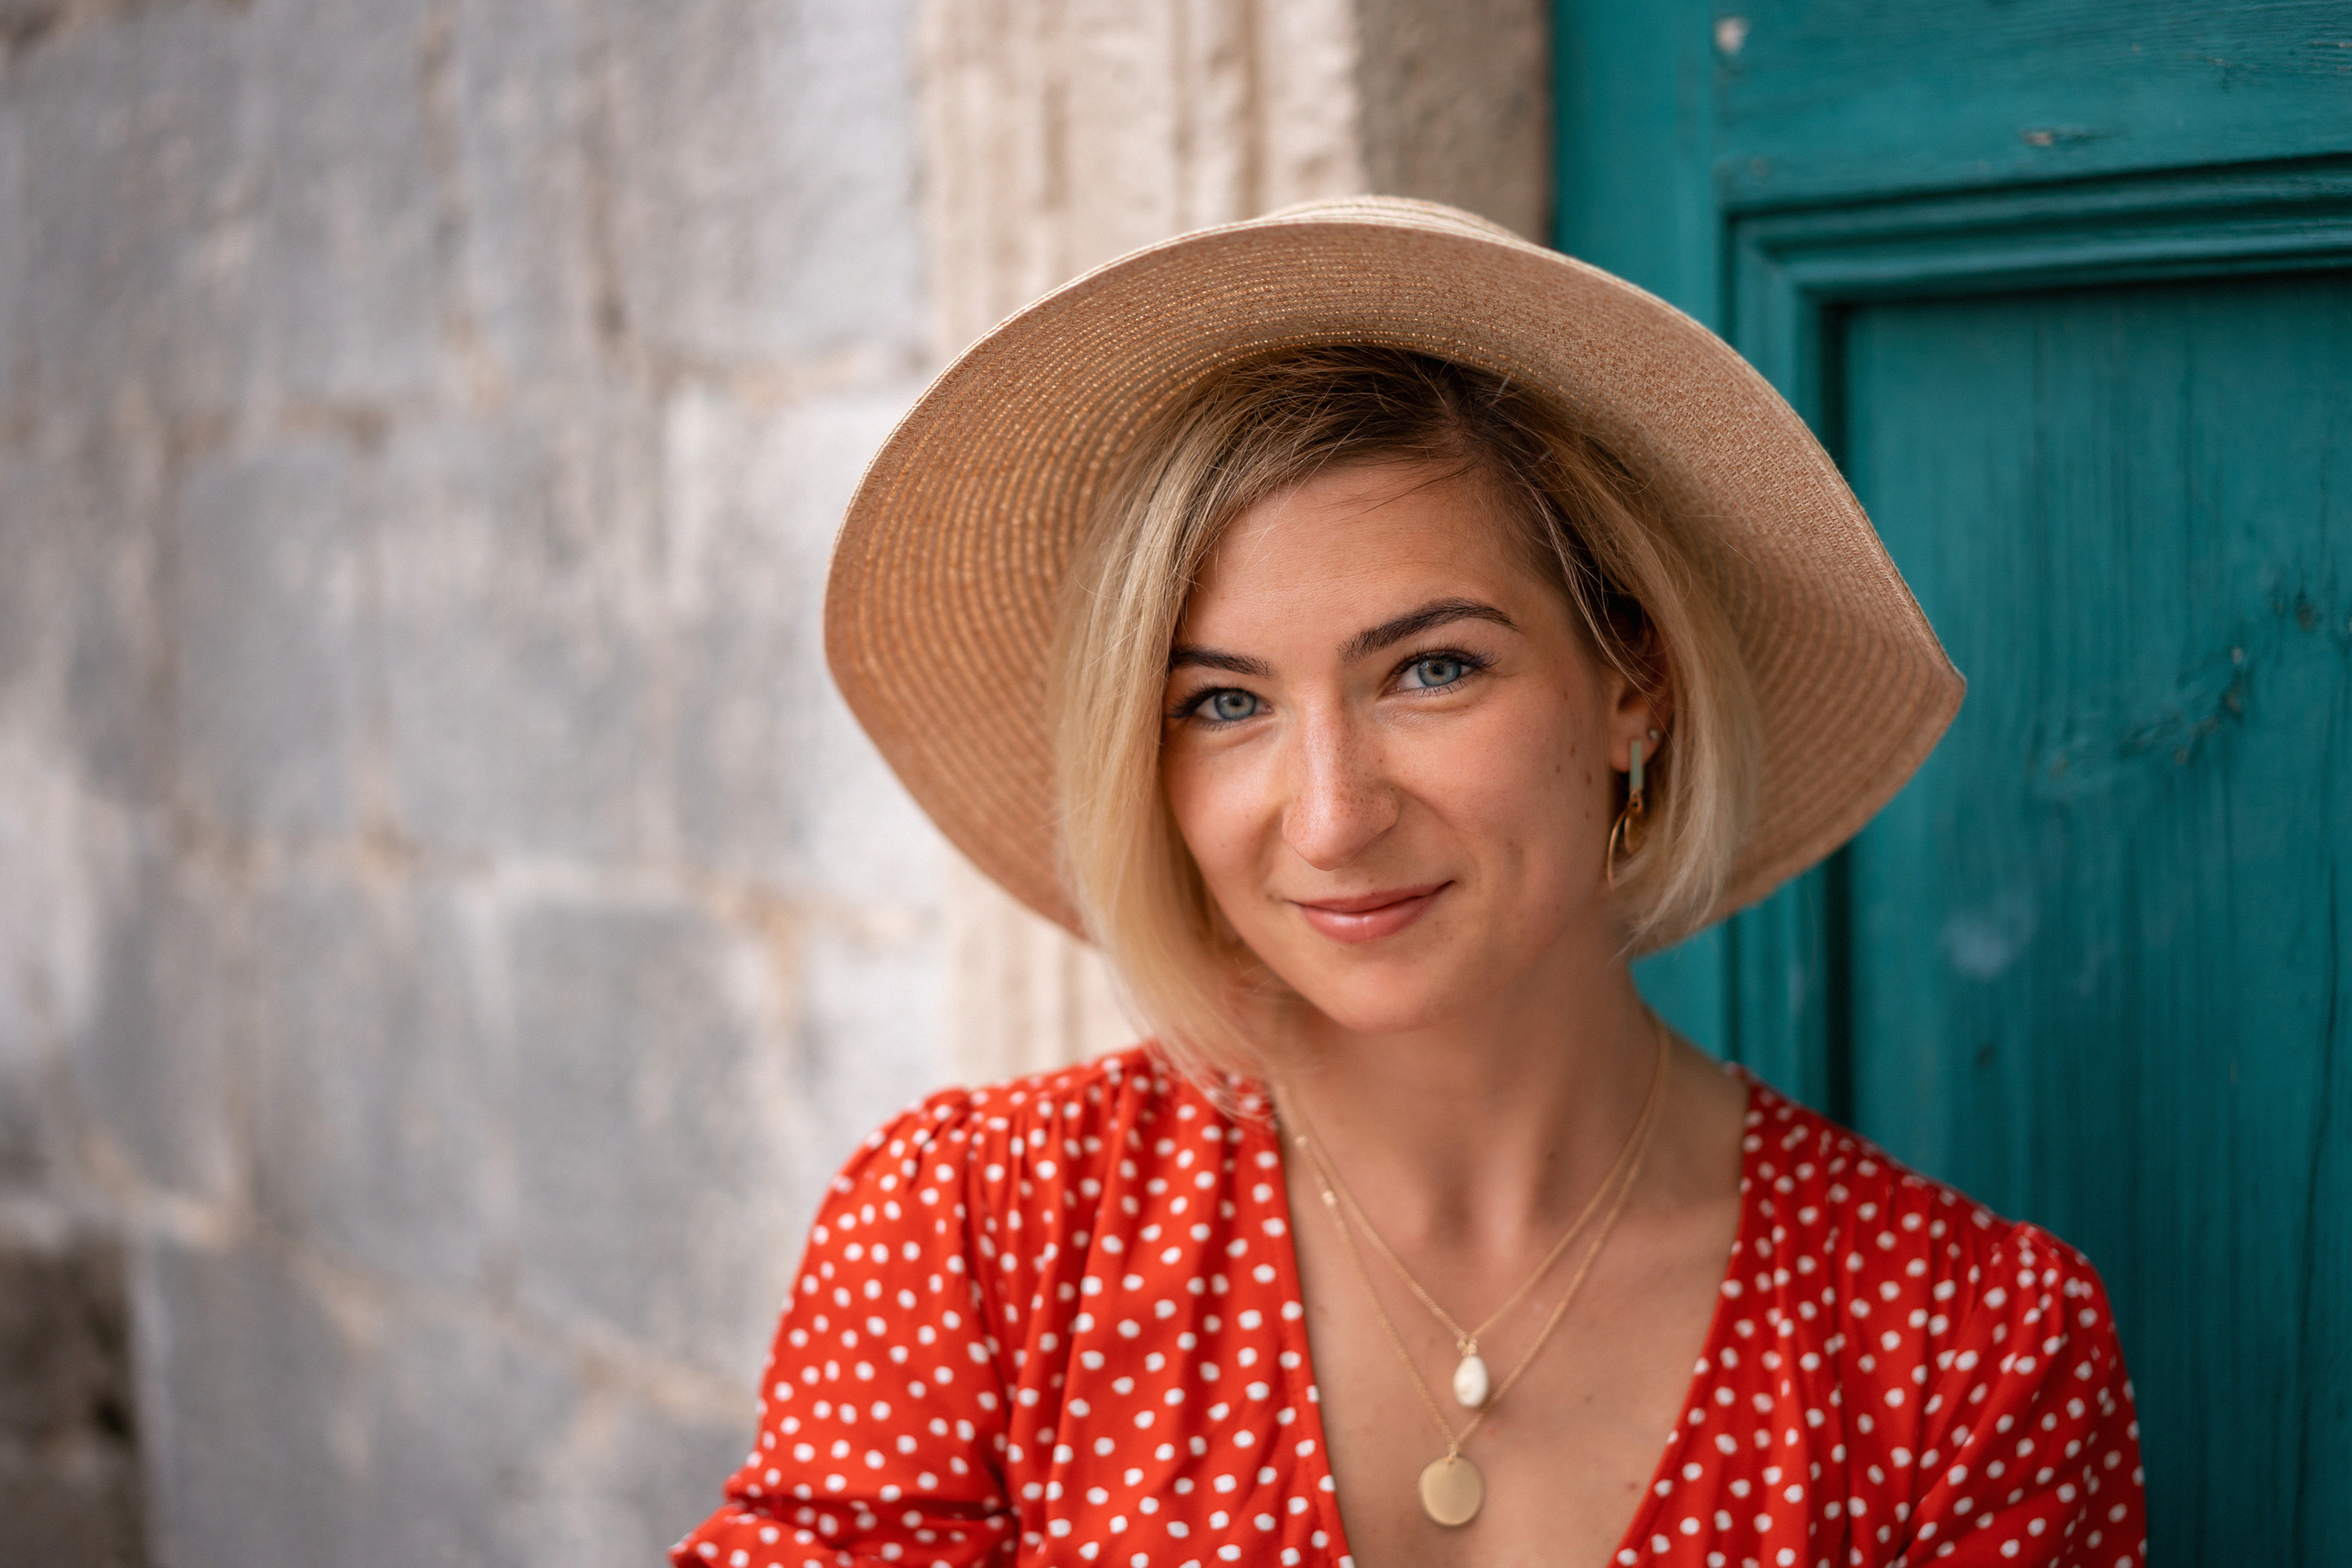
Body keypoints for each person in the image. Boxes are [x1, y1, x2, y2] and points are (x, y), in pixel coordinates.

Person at [671, 198, 2145, 1567]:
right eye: (1222, 702)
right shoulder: (980, 1242)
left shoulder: (1965, 1348)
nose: (1328, 816)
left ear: (1633, 681)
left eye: (1432, 669)